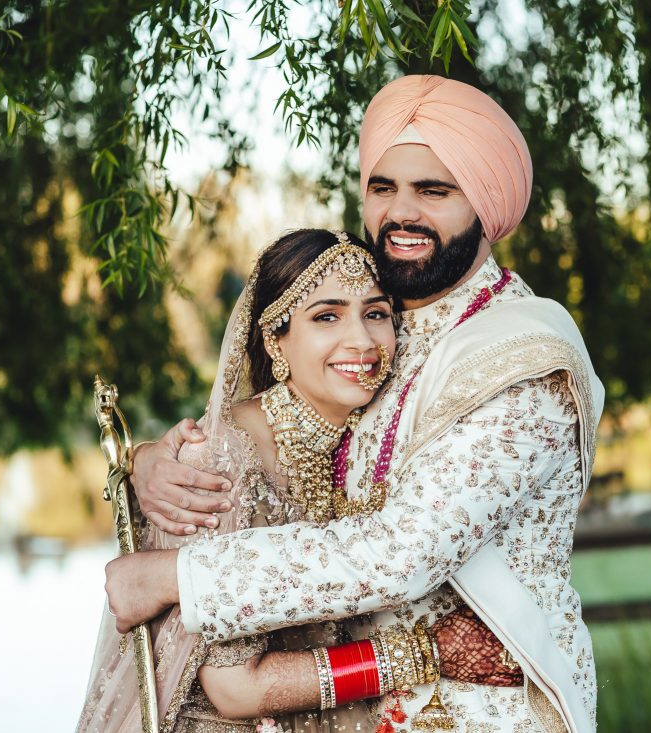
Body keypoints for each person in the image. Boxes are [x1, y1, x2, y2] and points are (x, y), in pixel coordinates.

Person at [108, 75, 605, 733]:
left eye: (434, 190)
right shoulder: (378, 325)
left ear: (487, 203)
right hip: (356, 707)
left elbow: (402, 553)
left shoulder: (521, 359)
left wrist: (177, 576)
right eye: (383, 187)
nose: (402, 213)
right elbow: (276, 436)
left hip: (488, 707)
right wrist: (149, 467)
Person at [79, 229, 519, 733]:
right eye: (326, 316)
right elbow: (234, 687)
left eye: (375, 313)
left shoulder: (366, 434)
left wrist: (139, 457)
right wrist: (423, 653)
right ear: (275, 338)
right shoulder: (225, 459)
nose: (361, 339)